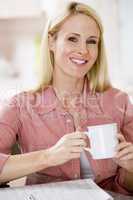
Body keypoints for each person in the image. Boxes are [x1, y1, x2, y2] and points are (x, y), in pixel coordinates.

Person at [0, 1, 133, 195]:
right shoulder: (20, 105)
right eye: (72, 39)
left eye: (91, 41)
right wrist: (48, 156)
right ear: (52, 42)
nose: (83, 50)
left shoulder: (119, 102)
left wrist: (130, 168)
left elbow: (128, 187)